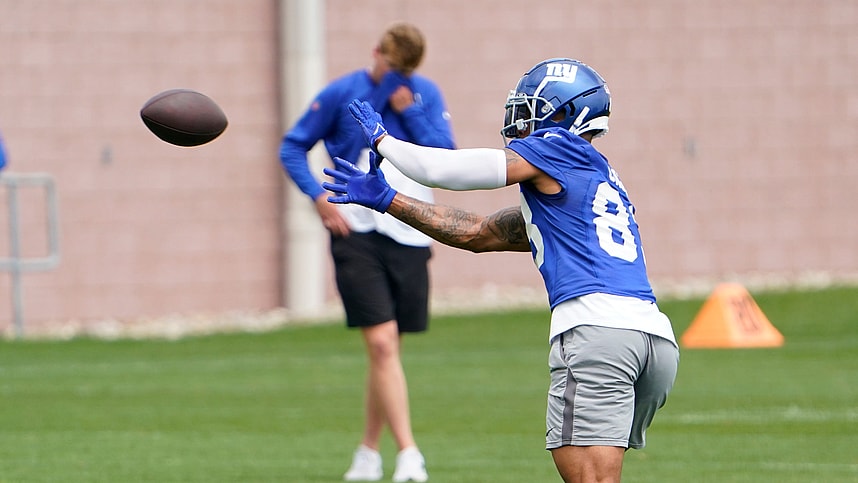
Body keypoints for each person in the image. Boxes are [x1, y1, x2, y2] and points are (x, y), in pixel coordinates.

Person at [323, 58, 680, 483]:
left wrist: (384, 142)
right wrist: (389, 200)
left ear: (565, 113)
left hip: (598, 332)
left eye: (532, 104)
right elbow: (477, 233)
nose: (519, 115)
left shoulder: (557, 148)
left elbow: (446, 171)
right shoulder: (587, 179)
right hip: (652, 339)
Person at [279, 22, 455, 482]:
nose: (394, 76)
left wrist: (409, 111)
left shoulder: (423, 94)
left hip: (410, 230)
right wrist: (317, 196)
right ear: (376, 52)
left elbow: (445, 159)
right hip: (355, 231)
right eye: (390, 66)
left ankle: (367, 452)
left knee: (389, 348)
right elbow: (293, 146)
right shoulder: (344, 91)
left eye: (404, 72)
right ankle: (410, 456)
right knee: (380, 342)